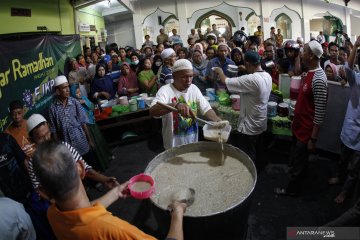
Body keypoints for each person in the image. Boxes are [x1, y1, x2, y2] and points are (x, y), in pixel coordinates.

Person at [32, 140, 187, 240]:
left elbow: (82, 213)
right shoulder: (115, 231)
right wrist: (177, 214)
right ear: (81, 168)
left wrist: (115, 193)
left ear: (43, 192)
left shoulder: (52, 215)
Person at [274, 40, 328, 196]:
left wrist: (313, 139)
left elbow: (319, 112)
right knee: (297, 160)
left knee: (299, 163)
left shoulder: (318, 79)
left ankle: (292, 191)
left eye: (304, 51)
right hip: (299, 126)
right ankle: (295, 183)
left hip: (306, 132)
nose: (301, 54)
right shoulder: (309, 74)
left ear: (311, 56)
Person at [27, 113, 117, 194]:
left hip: (79, 194)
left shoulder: (64, 147)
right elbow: (38, 188)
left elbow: (85, 168)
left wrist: (104, 179)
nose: (47, 139)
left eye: (47, 133)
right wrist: (54, 201)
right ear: (31, 140)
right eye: (41, 138)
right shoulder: (33, 163)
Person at [212, 51, 272, 163]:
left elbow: (225, 80)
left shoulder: (251, 79)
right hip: (260, 122)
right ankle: (258, 170)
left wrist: (220, 71)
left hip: (249, 125)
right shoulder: (267, 75)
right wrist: (245, 69)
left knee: (247, 156)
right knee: (257, 151)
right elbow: (254, 75)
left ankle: (251, 176)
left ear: (248, 63)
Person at [150, 59, 222, 149]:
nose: (188, 80)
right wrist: (175, 105)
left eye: (191, 76)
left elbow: (206, 108)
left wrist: (216, 120)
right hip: (173, 147)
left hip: (192, 143)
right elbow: (152, 111)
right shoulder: (165, 90)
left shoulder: (193, 89)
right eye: (184, 77)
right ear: (174, 76)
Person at [333, 36, 360, 204]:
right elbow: (347, 68)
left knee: (354, 168)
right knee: (343, 159)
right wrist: (355, 45)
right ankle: (339, 178)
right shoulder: (356, 78)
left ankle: (345, 192)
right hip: (350, 126)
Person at [48, 76, 95, 164]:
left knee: (89, 165)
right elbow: (53, 130)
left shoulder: (74, 102)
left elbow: (83, 122)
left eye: (68, 87)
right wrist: (58, 149)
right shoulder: (53, 108)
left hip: (81, 142)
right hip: (67, 148)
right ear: (58, 91)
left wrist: (89, 140)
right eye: (64, 88)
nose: (68, 90)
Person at [70, 85, 112, 171]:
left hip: (92, 122)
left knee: (100, 142)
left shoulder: (84, 97)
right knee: (94, 146)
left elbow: (92, 107)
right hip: (86, 126)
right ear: (73, 94)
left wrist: (85, 102)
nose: (79, 94)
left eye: (79, 92)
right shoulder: (73, 103)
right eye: (76, 93)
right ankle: (101, 166)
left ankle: (106, 159)